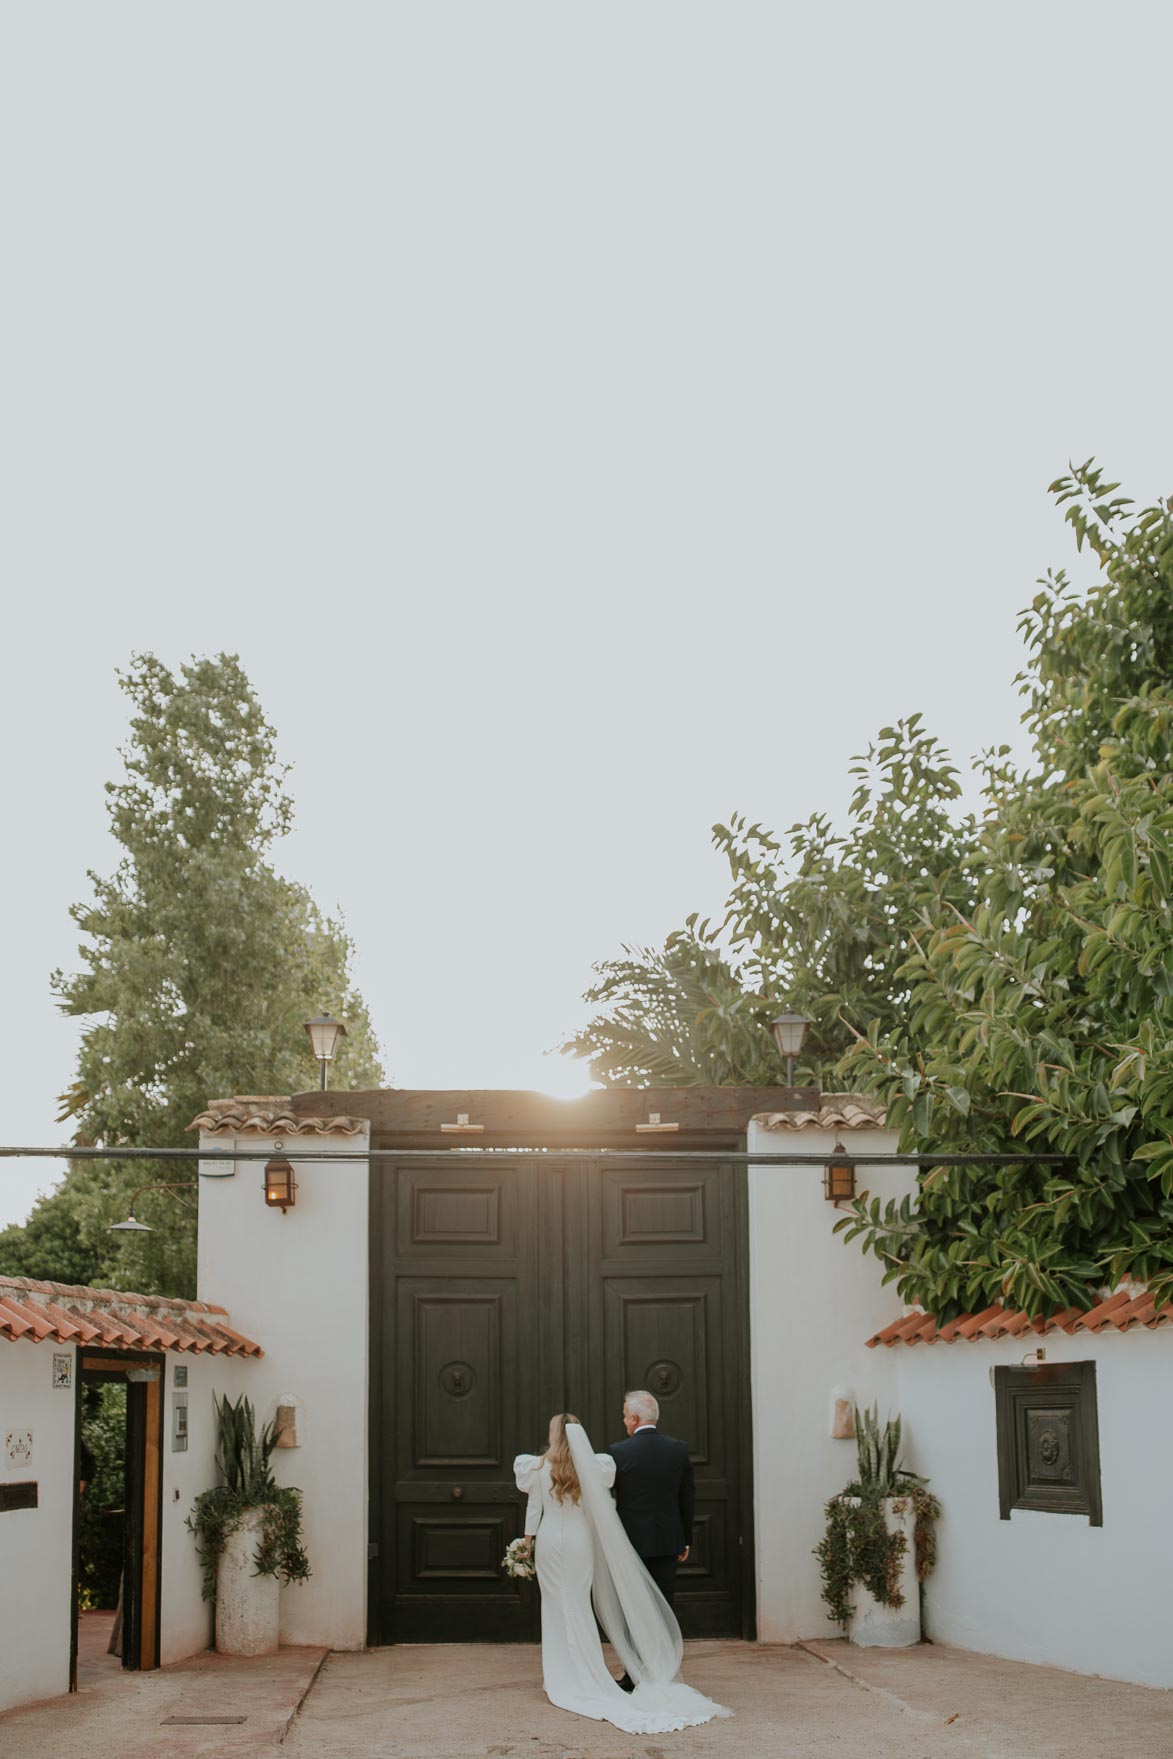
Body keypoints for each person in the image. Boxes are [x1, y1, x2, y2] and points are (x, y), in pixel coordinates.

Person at [514, 1414, 730, 1736]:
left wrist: (527, 1542)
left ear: (552, 1435)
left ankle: (561, 1675)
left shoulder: (537, 1467)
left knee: (556, 1605)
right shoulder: (593, 1466)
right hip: (578, 1540)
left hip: (549, 1540)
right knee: (578, 1603)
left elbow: (535, 1507)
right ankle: (585, 1672)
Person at [606, 1390, 693, 1613]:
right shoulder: (678, 1449)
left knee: (635, 1599)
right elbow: (687, 1497)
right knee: (665, 1597)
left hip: (631, 1539)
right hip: (668, 1536)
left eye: (625, 1415)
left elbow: (607, 1497)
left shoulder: (619, 1452)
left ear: (634, 1418)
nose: (624, 1421)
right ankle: (666, 1646)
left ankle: (638, 1647)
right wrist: (686, 1539)